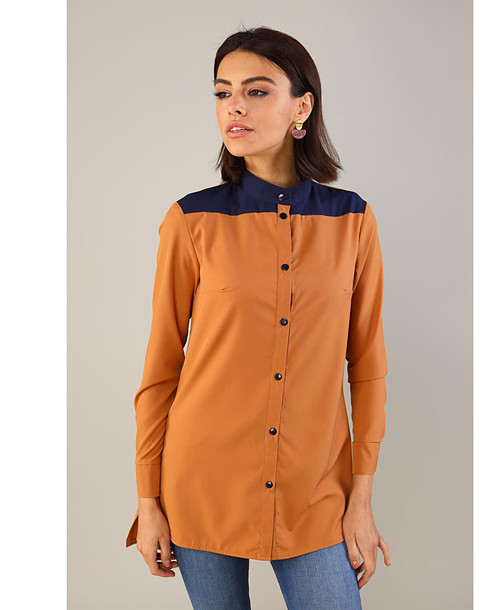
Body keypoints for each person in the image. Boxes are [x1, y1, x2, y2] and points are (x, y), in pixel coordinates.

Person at [126, 25, 391, 609]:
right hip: (201, 484)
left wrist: (361, 500)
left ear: (302, 107)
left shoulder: (353, 221)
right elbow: (161, 369)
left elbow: (368, 369)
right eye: (223, 93)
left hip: (314, 490)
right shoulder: (191, 221)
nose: (234, 107)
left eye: (256, 91)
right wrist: (148, 501)